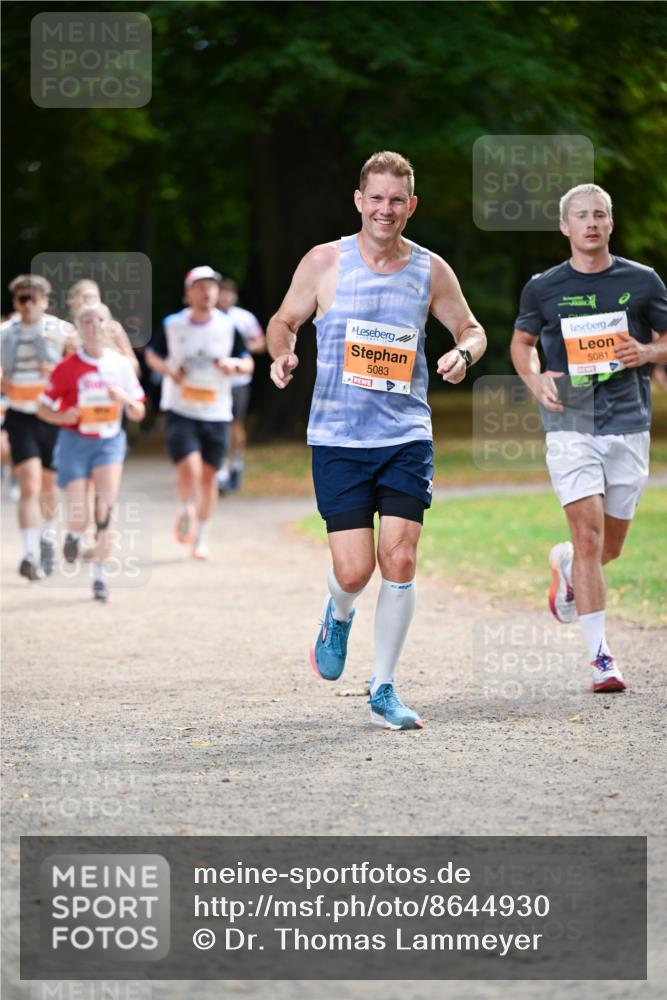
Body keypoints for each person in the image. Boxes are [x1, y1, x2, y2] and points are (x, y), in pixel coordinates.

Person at [268, 151, 486, 730]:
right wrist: (283, 352)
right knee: (355, 571)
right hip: (338, 437)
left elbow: (472, 329)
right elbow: (283, 320)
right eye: (377, 198)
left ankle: (384, 687)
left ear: (410, 206)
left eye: (398, 200)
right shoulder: (324, 262)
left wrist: (462, 354)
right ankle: (337, 613)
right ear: (360, 201)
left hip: (404, 434)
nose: (386, 209)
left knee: (400, 556)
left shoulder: (429, 270)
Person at [510, 183, 667, 693]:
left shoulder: (642, 282)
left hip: (629, 424)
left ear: (610, 223)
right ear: (566, 226)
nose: (592, 223)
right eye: (582, 216)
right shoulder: (543, 286)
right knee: (589, 537)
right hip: (570, 423)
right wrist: (534, 379)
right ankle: (602, 659)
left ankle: (568, 567)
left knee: (608, 548)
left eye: (600, 214)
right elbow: (522, 342)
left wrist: (646, 354)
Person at [37, 305, 145, 602]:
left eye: (98, 320)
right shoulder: (67, 367)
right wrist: (63, 416)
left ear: (108, 325)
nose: (93, 326)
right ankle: (73, 535)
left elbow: (138, 411)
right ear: (78, 328)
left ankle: (100, 577)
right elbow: (43, 408)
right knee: (79, 515)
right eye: (86, 321)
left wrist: (122, 398)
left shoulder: (120, 365)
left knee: (103, 511)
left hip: (109, 442)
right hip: (74, 442)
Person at [145, 266, 253, 559]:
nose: (207, 293)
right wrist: (168, 369)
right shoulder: (173, 324)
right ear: (188, 292)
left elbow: (247, 362)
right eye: (201, 287)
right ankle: (183, 508)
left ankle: (201, 536)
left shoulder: (229, 326)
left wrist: (235, 366)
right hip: (181, 408)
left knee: (208, 478)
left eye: (212, 287)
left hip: (217, 411)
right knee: (190, 471)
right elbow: (152, 354)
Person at [0, 274, 76, 580]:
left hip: (51, 416)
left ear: (45, 301)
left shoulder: (62, 331)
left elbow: (80, 365)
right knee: (29, 485)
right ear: (15, 302)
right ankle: (29, 554)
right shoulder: (4, 333)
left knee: (49, 486)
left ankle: (47, 537)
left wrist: (57, 370)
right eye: (22, 299)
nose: (28, 304)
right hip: (20, 415)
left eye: (34, 298)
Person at [216, 278, 266, 493]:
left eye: (228, 293)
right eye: (221, 293)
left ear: (234, 296)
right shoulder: (209, 317)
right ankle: (219, 468)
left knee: (235, 424)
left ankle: (236, 463)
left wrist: (240, 348)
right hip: (215, 381)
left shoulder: (244, 318)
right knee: (218, 423)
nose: (225, 297)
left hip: (238, 381)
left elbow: (260, 343)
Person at [66, 279, 140, 375]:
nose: (91, 302)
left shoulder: (113, 328)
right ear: (73, 302)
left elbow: (135, 366)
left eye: (95, 297)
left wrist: (114, 356)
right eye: (86, 297)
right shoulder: (69, 333)